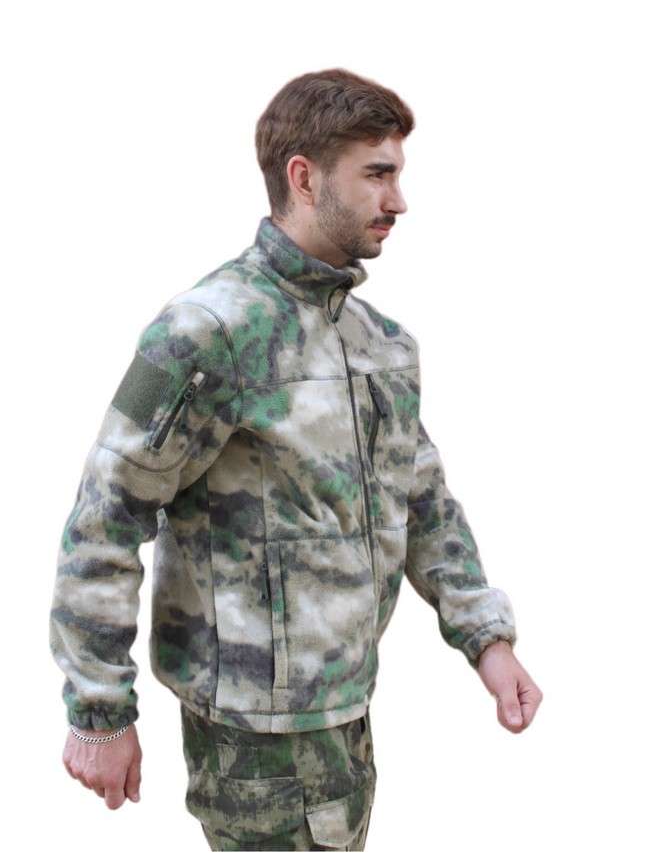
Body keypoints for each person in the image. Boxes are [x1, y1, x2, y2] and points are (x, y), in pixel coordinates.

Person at [50, 67, 543, 851]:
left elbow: (423, 499)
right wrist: (99, 711)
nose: (399, 200)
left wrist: (487, 637)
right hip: (254, 741)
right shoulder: (205, 331)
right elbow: (107, 511)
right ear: (304, 178)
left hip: (346, 712)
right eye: (377, 174)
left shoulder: (380, 344)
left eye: (398, 174)